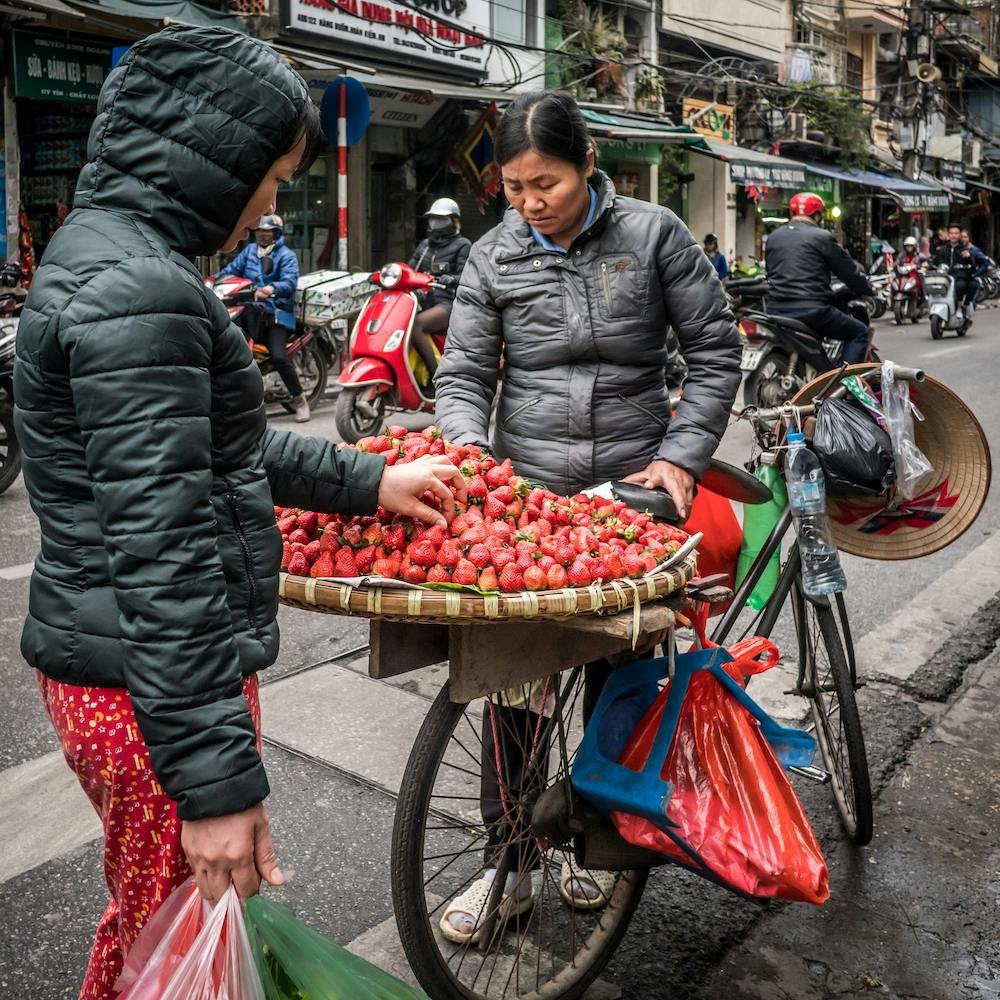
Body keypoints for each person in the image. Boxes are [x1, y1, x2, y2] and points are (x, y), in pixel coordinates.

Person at [13, 25, 465, 1000]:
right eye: (268, 178)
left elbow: (206, 454)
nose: (269, 204)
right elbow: (167, 550)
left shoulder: (96, 255)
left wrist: (363, 481)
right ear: (211, 163)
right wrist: (216, 787)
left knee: (152, 925)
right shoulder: (146, 292)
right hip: (147, 683)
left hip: (111, 669)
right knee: (172, 940)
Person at [434, 89, 740, 943]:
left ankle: (591, 841)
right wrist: (471, 456)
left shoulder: (653, 237)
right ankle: (511, 861)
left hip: (631, 496)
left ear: (590, 165)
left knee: (618, 674)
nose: (530, 203)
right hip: (528, 500)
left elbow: (716, 350)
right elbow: (462, 378)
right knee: (513, 684)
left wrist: (679, 459)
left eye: (548, 184)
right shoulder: (494, 255)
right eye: (515, 186)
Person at [216, 214, 311, 422]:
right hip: (251, 310)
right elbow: (230, 271)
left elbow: (289, 282)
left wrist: (271, 288)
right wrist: (214, 280)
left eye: (268, 233)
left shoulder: (286, 256)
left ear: (276, 234)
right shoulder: (249, 252)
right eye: (260, 232)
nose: (263, 236)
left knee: (278, 356)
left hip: (276, 312)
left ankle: (300, 400)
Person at [764, 192, 874, 365]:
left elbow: (770, 272)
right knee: (860, 332)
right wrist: (867, 289)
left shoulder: (773, 237)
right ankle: (844, 385)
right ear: (817, 215)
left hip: (774, 310)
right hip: (812, 311)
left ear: (791, 214)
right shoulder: (822, 237)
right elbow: (849, 272)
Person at [407, 197, 471, 393]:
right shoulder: (425, 245)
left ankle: (437, 380)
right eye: (433, 218)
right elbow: (410, 269)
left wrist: (451, 279)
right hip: (422, 299)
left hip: (449, 302)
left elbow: (468, 275)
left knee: (416, 324)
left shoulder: (463, 245)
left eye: (441, 218)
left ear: (453, 220)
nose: (436, 222)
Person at [932, 222, 988, 312]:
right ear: (948, 235)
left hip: (960, 278)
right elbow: (935, 261)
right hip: (944, 277)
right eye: (951, 233)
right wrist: (927, 263)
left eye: (956, 233)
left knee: (962, 285)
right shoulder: (942, 249)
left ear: (959, 235)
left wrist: (968, 258)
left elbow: (973, 265)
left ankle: (960, 307)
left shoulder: (965, 250)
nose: (953, 236)